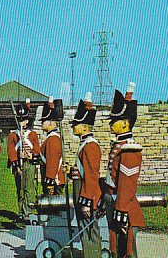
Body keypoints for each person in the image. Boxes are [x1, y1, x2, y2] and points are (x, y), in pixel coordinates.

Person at [99, 82, 145, 258]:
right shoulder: (119, 145)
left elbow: (126, 185)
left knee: (126, 251)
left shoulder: (129, 149)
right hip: (114, 202)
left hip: (123, 206)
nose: (111, 123)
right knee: (116, 249)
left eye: (115, 121)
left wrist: (122, 210)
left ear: (125, 123)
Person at [70, 92, 102, 258]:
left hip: (86, 196)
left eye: (76, 124)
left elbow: (91, 177)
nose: (73, 127)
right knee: (86, 232)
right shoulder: (85, 144)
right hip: (82, 193)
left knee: (90, 233)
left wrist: (86, 202)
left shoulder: (90, 146)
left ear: (84, 127)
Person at [7, 98, 41, 221]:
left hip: (29, 164)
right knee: (20, 189)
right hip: (18, 166)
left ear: (27, 121)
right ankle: (21, 212)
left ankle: (29, 212)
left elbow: (37, 150)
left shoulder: (32, 135)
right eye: (20, 120)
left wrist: (29, 155)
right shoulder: (13, 135)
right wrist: (16, 165)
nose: (22, 122)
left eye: (24, 120)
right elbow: (11, 151)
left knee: (29, 188)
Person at [40, 97, 65, 196]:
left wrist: (49, 182)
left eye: (44, 121)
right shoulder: (52, 138)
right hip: (53, 179)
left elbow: (52, 161)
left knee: (55, 207)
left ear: (50, 123)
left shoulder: (52, 139)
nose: (42, 123)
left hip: (54, 181)